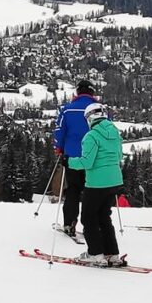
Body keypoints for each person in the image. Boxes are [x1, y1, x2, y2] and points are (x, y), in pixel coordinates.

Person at [68, 103, 125, 266]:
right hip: (114, 181)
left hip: (96, 183)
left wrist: (68, 161)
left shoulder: (91, 136)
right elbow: (119, 156)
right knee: (104, 217)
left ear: (89, 118)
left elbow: (87, 162)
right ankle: (112, 253)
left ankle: (95, 253)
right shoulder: (115, 133)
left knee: (88, 217)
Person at [52, 79, 97, 236]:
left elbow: (60, 131)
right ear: (92, 92)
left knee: (73, 190)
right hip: (94, 158)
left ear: (77, 92)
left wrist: (59, 148)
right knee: (92, 191)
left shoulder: (67, 110)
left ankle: (69, 222)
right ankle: (92, 224)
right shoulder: (99, 110)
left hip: (72, 157)